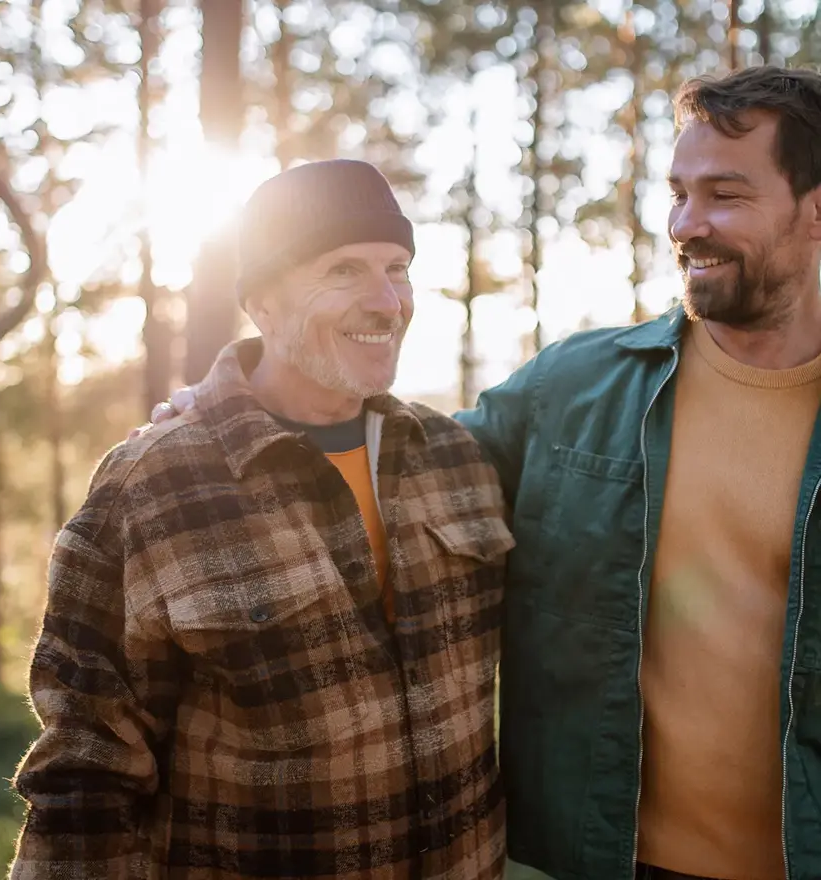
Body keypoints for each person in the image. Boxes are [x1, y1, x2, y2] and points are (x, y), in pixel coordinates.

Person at [149, 66, 821, 880]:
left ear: (815, 209)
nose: (688, 222)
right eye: (678, 191)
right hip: (612, 861)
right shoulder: (577, 387)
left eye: (726, 194)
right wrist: (230, 407)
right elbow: (404, 469)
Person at [9, 159, 515, 880]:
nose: (386, 301)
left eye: (397, 267)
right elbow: (84, 781)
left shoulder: (458, 460)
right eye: (343, 270)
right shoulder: (154, 484)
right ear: (263, 305)